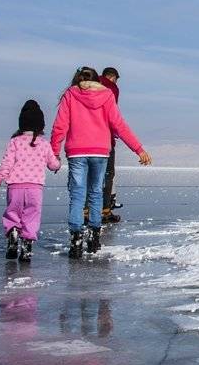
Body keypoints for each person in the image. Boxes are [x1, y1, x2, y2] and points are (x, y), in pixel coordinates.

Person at [51, 67, 151, 258]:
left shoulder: (71, 94)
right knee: (96, 193)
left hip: (76, 152)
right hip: (100, 151)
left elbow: (60, 125)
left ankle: (76, 240)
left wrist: (54, 152)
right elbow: (118, 124)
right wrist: (138, 149)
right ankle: (94, 238)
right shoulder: (106, 95)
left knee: (77, 195)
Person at [0, 100, 60, 262]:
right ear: (41, 125)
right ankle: (26, 247)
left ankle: (13, 234)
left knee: (13, 213)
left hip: (15, 187)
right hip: (35, 188)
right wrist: (58, 163)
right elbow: (52, 164)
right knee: (31, 216)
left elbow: (7, 164)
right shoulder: (44, 144)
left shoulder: (14, 142)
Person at [98, 66, 121, 224]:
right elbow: (112, 114)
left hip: (82, 143)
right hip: (105, 139)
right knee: (108, 174)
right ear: (112, 77)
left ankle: (86, 211)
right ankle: (105, 209)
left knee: (90, 177)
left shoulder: (83, 88)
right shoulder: (111, 89)